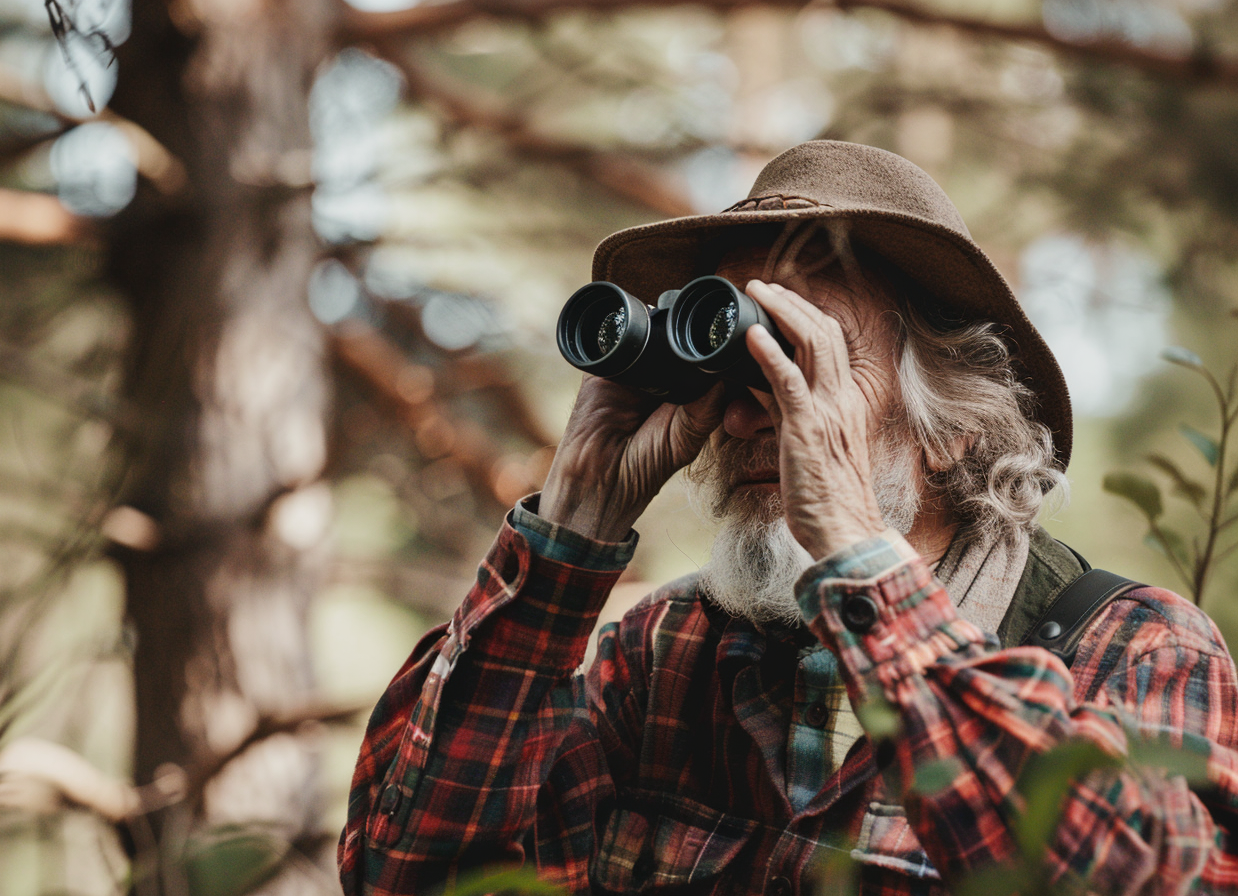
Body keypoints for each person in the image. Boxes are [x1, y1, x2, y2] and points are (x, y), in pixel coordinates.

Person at [339, 140, 1238, 895]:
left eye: (803, 359)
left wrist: (857, 551)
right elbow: (406, 872)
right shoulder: (667, 656)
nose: (746, 412)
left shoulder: (1134, 649)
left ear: (954, 425)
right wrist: (564, 548)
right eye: (733, 362)